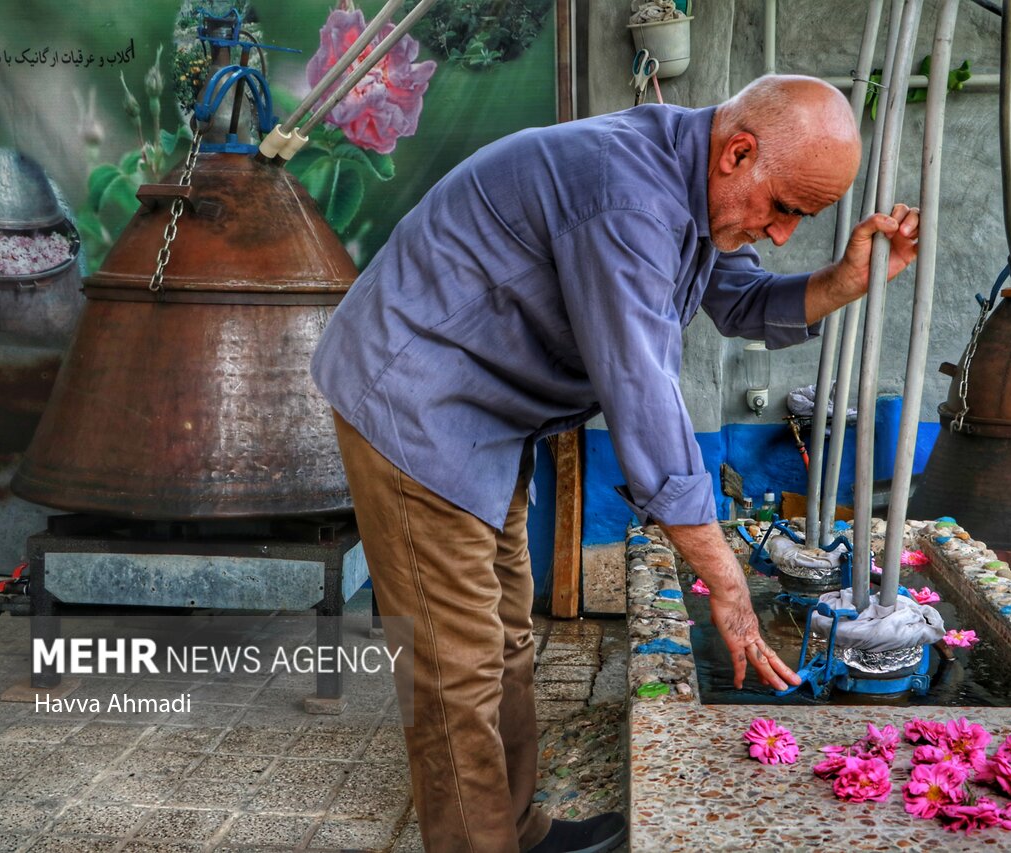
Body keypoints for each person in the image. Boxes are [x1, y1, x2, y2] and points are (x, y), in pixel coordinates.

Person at [311, 74, 920, 853]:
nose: (780, 235)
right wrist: (726, 577)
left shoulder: (692, 177)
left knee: (505, 640)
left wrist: (847, 281)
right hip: (416, 400)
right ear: (738, 152)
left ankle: (519, 827)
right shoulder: (630, 198)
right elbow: (643, 392)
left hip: (484, 415)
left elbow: (739, 302)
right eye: (785, 209)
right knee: (453, 673)